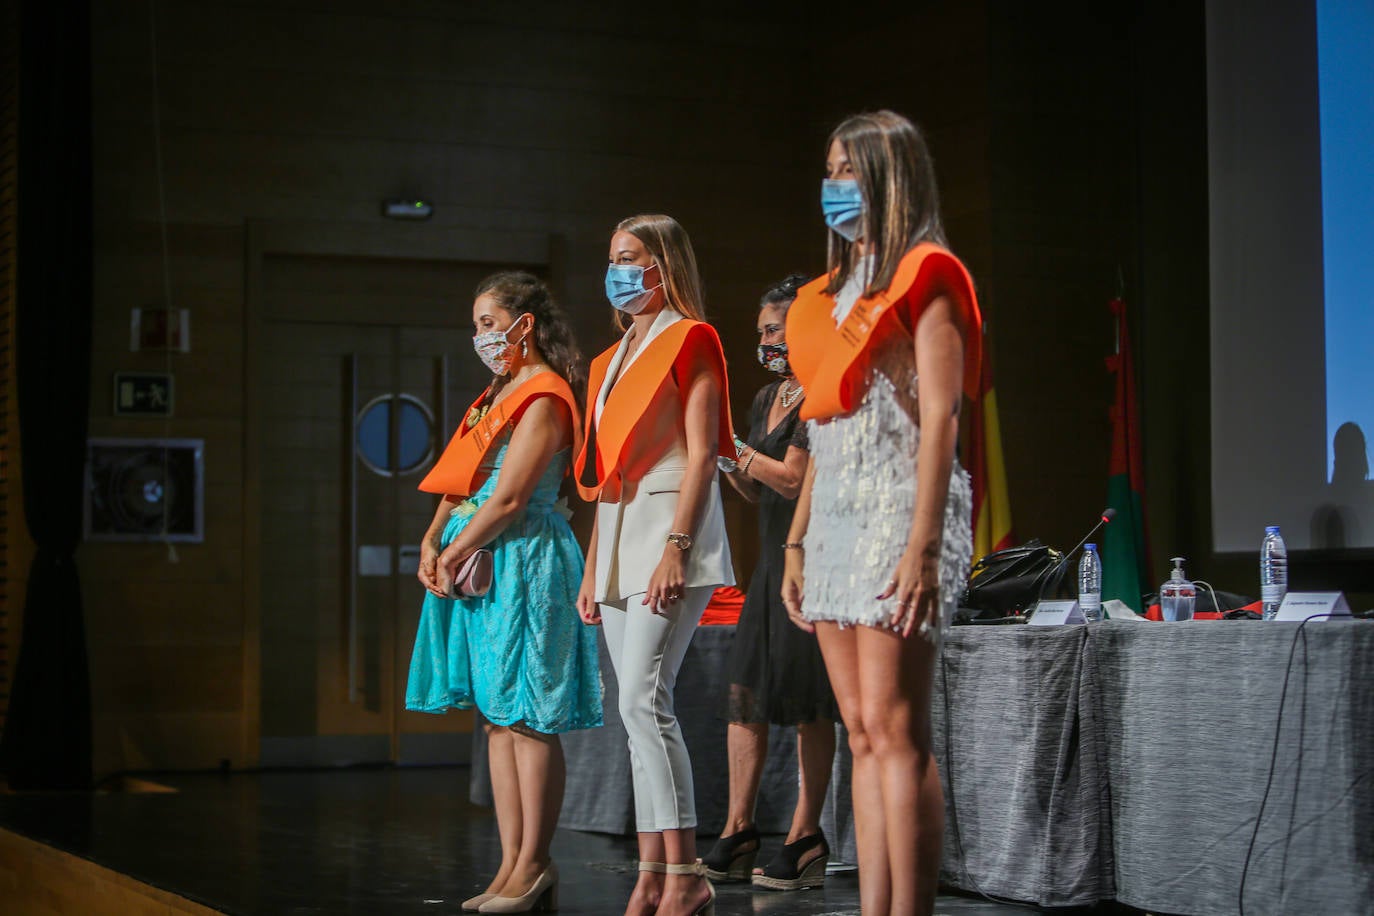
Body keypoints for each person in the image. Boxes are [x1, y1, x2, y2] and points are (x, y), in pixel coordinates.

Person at [780, 111, 983, 916]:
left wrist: (926, 547)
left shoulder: (926, 272)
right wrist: (795, 544)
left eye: (850, 172)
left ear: (891, 179)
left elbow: (943, 418)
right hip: (834, 514)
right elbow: (822, 432)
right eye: (829, 172)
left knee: (896, 733)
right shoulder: (826, 296)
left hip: (903, 509)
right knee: (859, 731)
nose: (835, 187)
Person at [406, 271, 602, 915]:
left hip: (523, 560)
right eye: (478, 325)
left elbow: (513, 497)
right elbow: (460, 483)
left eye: (490, 324)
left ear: (525, 324)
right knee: (495, 718)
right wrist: (434, 540)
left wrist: (458, 550)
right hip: (478, 558)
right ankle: (508, 863)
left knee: (528, 715)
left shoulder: (543, 395)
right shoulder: (495, 394)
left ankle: (534, 861)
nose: (481, 337)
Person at [574, 214, 736, 916]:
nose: (618, 269)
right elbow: (604, 474)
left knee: (645, 700)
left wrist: (677, 544)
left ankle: (689, 872)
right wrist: (590, 565)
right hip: (615, 540)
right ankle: (652, 871)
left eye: (631, 256)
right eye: (612, 257)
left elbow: (703, 453)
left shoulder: (691, 337)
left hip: (671, 534)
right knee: (632, 707)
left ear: (664, 263)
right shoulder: (610, 361)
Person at [702, 276, 839, 892]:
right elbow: (755, 487)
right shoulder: (767, 397)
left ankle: (805, 833)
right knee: (745, 695)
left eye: (774, 329)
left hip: (813, 562)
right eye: (759, 332)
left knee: (810, 702)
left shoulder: (823, 395)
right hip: (768, 562)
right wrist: (725, 460)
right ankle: (739, 825)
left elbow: (790, 479)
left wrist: (731, 444)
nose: (764, 340)